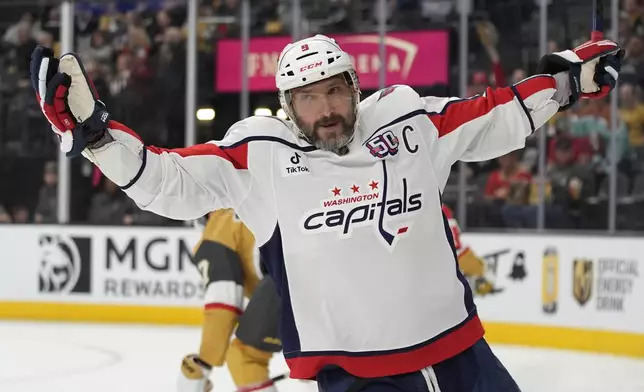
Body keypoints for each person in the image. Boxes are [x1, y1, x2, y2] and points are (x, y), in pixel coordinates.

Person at [30, 35, 622, 391]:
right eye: (308, 98)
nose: (327, 109)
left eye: (335, 90)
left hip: (459, 352)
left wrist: (565, 83)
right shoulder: (259, 153)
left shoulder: (406, 120)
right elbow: (167, 180)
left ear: (356, 88)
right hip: (353, 377)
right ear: (287, 105)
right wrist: (96, 135)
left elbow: (493, 115)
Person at [178, 209, 281, 392]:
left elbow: (224, 301)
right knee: (326, 361)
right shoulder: (248, 205)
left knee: (245, 359)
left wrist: (204, 361)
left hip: (290, 278)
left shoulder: (219, 227)